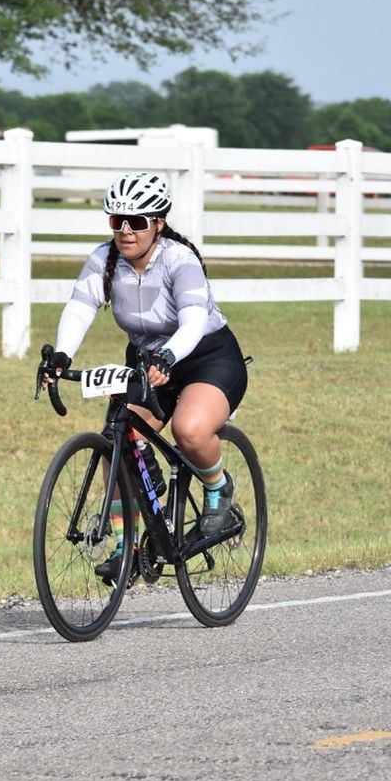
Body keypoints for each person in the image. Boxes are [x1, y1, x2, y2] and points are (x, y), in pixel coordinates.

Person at [48, 171, 249, 580]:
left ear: (158, 223)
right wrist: (62, 355)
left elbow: (192, 323)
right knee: (117, 440)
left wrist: (168, 356)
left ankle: (218, 487)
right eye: (116, 220)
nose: (125, 230)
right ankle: (129, 544)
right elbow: (81, 307)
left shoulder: (179, 260)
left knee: (190, 430)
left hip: (204, 356)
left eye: (137, 221)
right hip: (146, 359)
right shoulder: (105, 260)